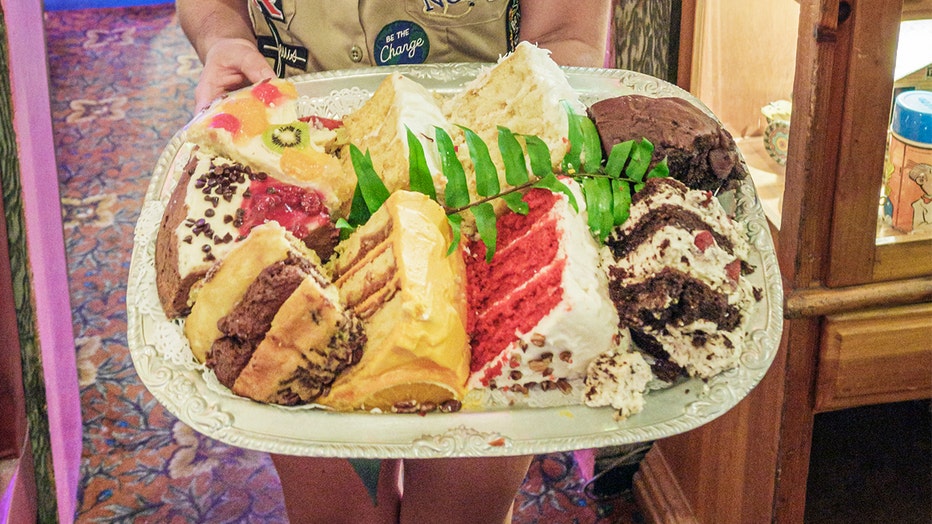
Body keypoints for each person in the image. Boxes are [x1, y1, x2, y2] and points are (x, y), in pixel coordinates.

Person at [176, 1, 611, 523]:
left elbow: (568, 31)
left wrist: (528, 117)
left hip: (487, 200)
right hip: (302, 177)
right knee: (336, 512)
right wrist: (223, 38)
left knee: (461, 512)